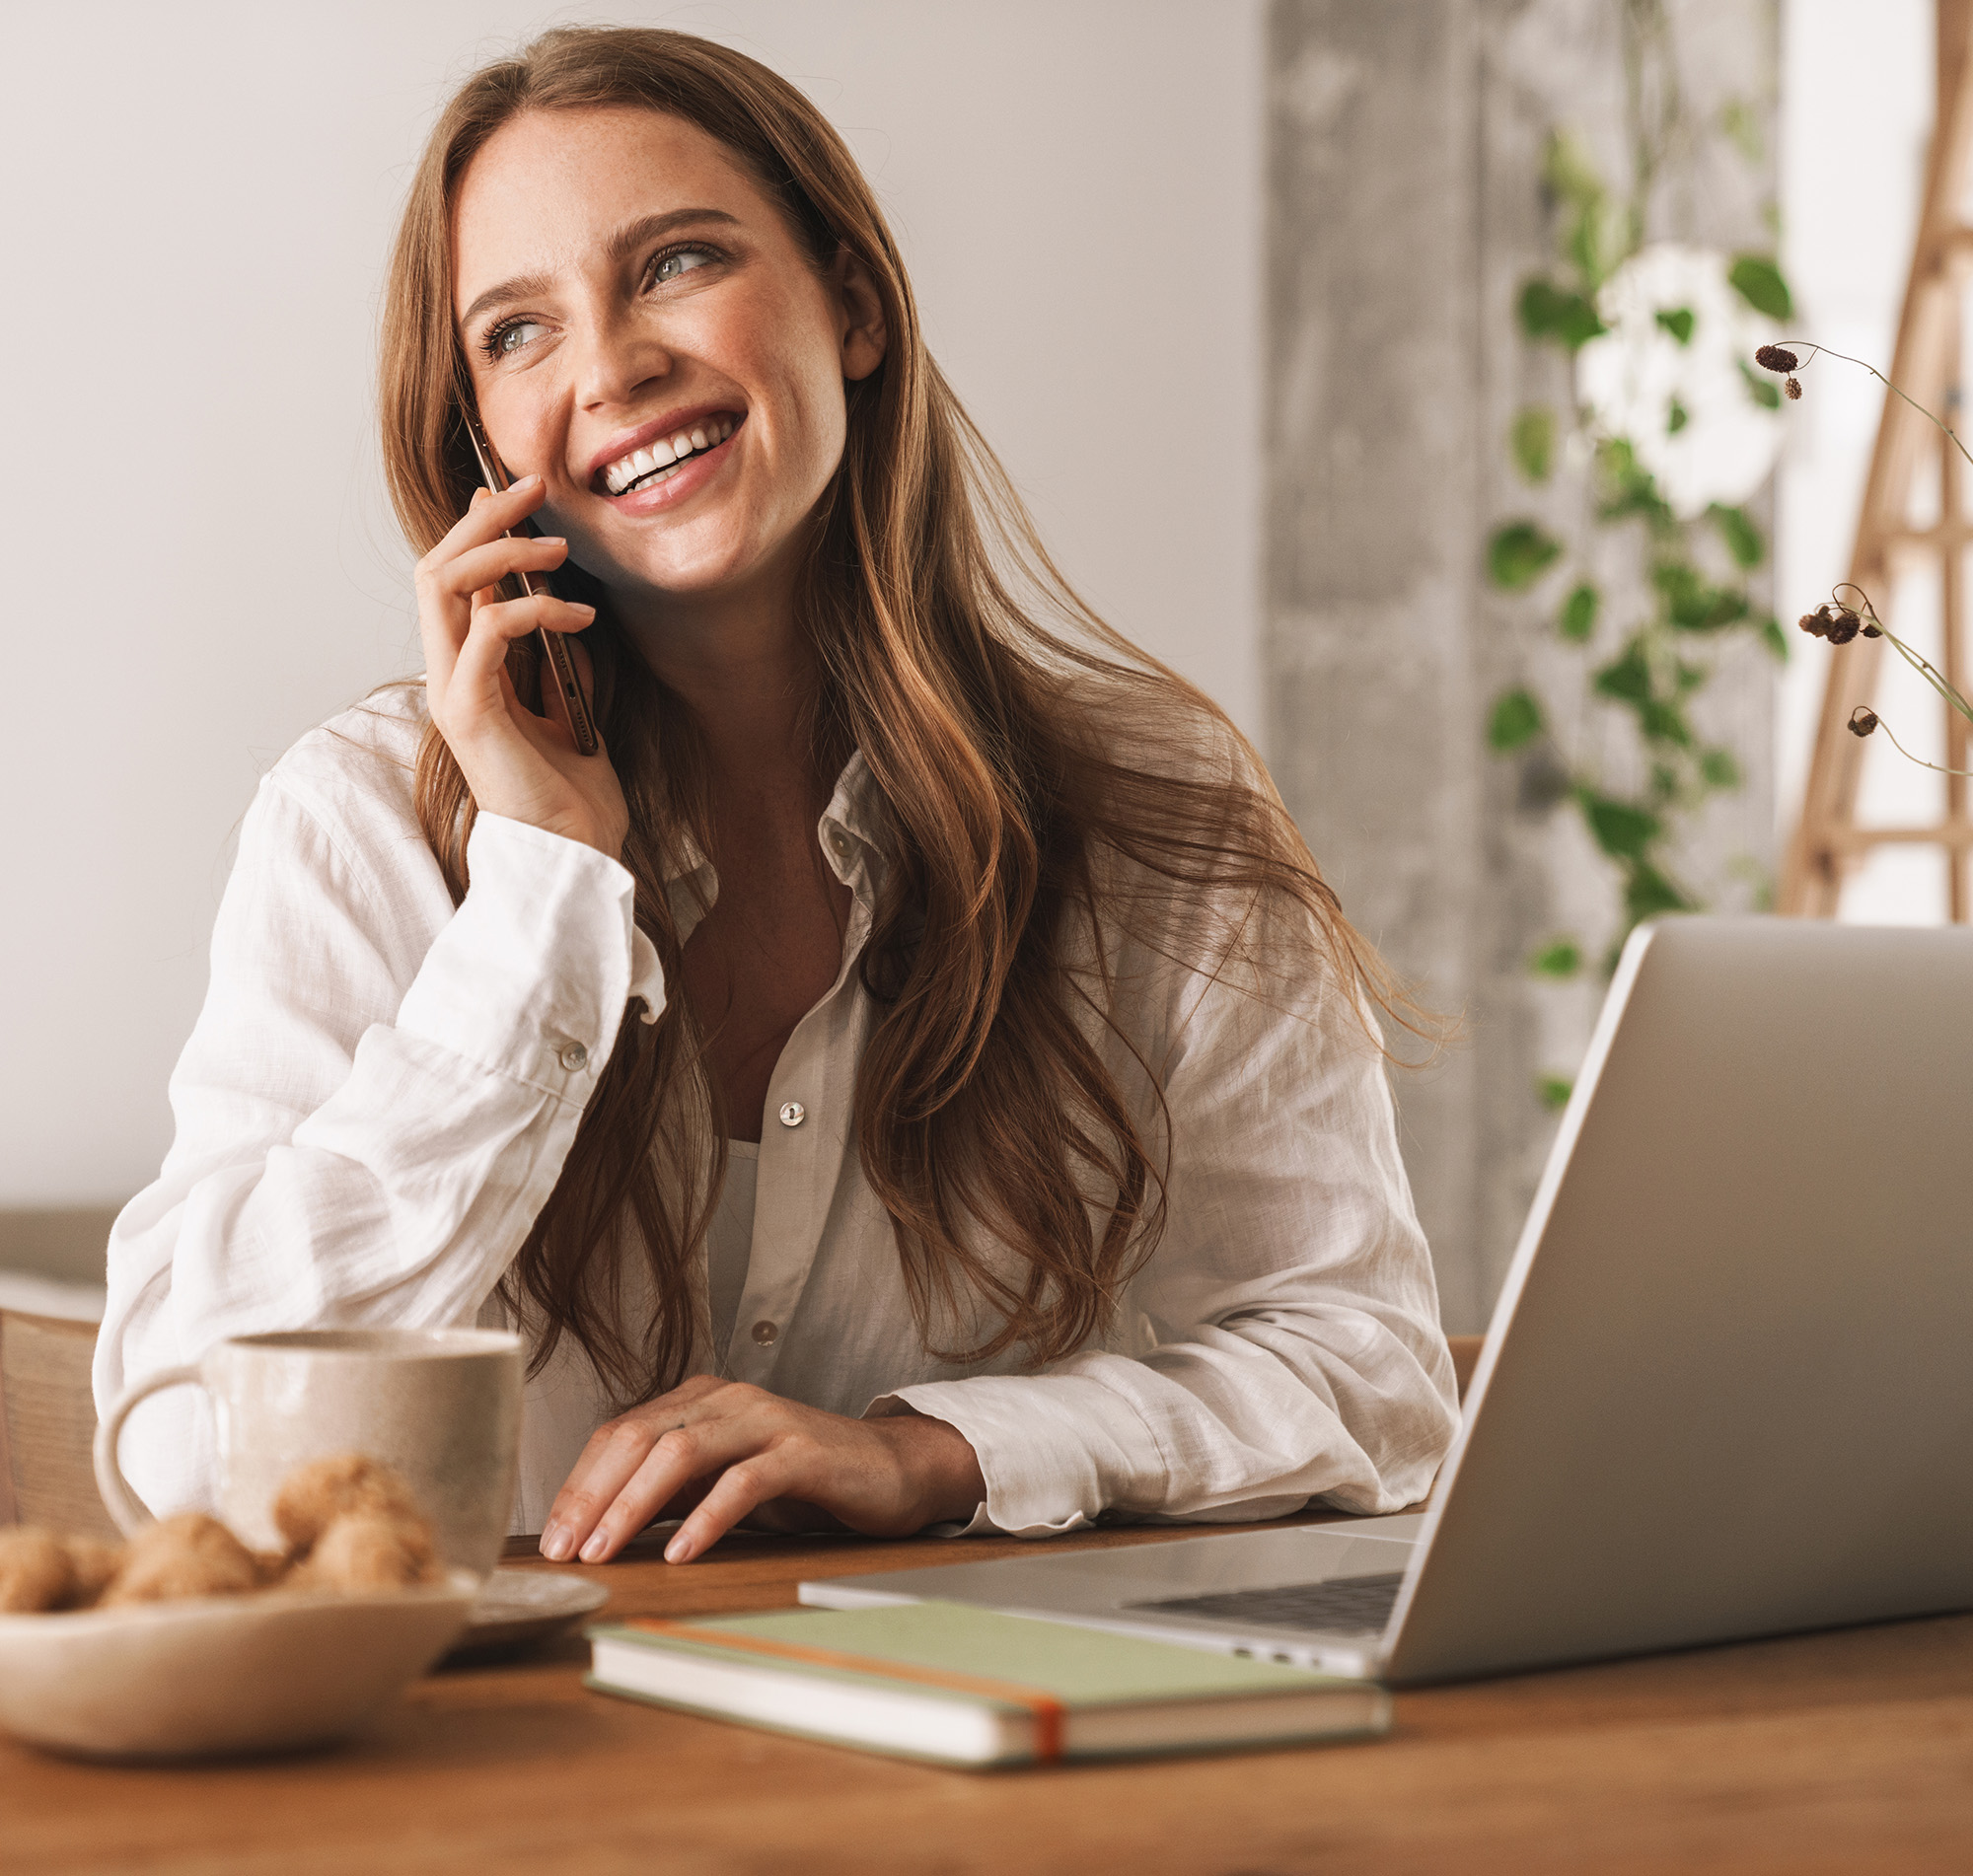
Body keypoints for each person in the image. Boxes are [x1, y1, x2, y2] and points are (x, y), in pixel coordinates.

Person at [94, 26, 1458, 1567]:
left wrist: (929, 1453)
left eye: (675, 264)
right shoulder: (361, 827)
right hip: (514, 1770)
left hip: (988, 1737)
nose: (611, 365)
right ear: (479, 440)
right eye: (518, 332)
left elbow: (1373, 1376)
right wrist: (541, 892)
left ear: (854, 304)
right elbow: (184, 1443)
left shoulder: (1157, 808)